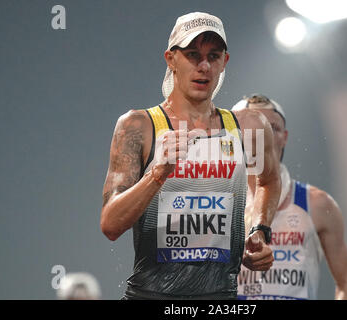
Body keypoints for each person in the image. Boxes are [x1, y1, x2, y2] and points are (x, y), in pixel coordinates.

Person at [100, 13, 281, 300]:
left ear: (225, 62)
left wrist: (259, 230)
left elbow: (269, 180)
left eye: (214, 55)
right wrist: (156, 174)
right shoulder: (139, 126)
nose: (204, 66)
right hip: (150, 295)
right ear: (171, 59)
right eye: (193, 55)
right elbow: (110, 225)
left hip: (220, 298)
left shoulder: (249, 127)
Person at [233, 94, 347, 300]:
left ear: (285, 136)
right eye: (254, 128)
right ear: (235, 135)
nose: (264, 135)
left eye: (272, 128)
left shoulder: (317, 203)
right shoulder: (217, 204)